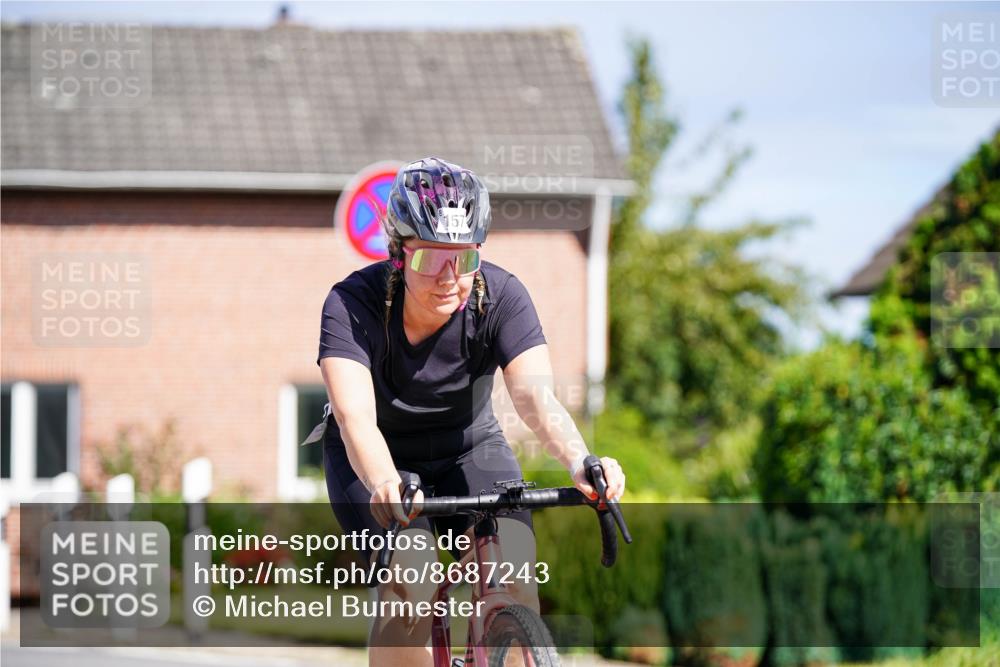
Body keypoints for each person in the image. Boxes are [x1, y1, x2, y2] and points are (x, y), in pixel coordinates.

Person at [315, 156, 625, 666]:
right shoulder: (351, 304)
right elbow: (355, 419)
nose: (448, 278)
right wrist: (386, 483)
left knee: (515, 578)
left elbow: (536, 399)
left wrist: (580, 460)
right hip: (376, 459)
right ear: (398, 254)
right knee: (412, 582)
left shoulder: (502, 297)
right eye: (429, 259)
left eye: (463, 260)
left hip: (469, 448)